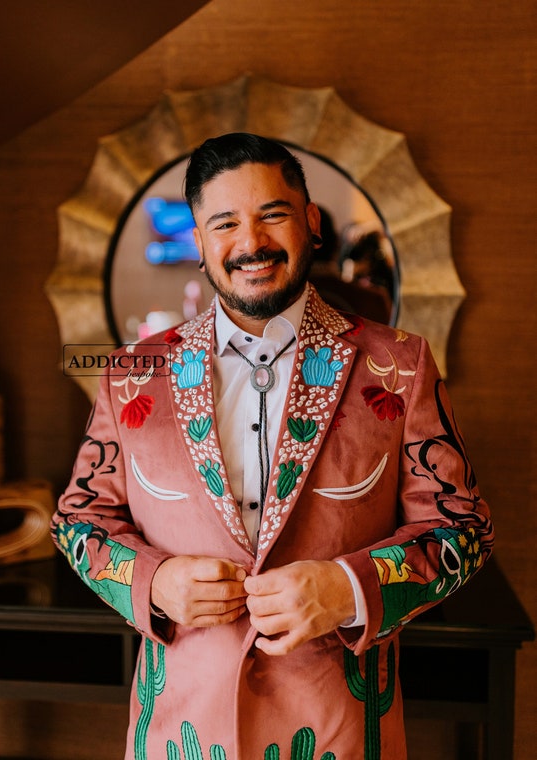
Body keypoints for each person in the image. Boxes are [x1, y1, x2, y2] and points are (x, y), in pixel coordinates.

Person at [51, 132, 494, 760]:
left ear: (311, 224)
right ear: (200, 244)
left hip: (340, 731)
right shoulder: (131, 374)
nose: (251, 242)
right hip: (179, 735)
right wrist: (153, 582)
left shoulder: (399, 364)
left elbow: (464, 528)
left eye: (273, 215)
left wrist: (347, 588)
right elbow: (78, 521)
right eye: (225, 223)